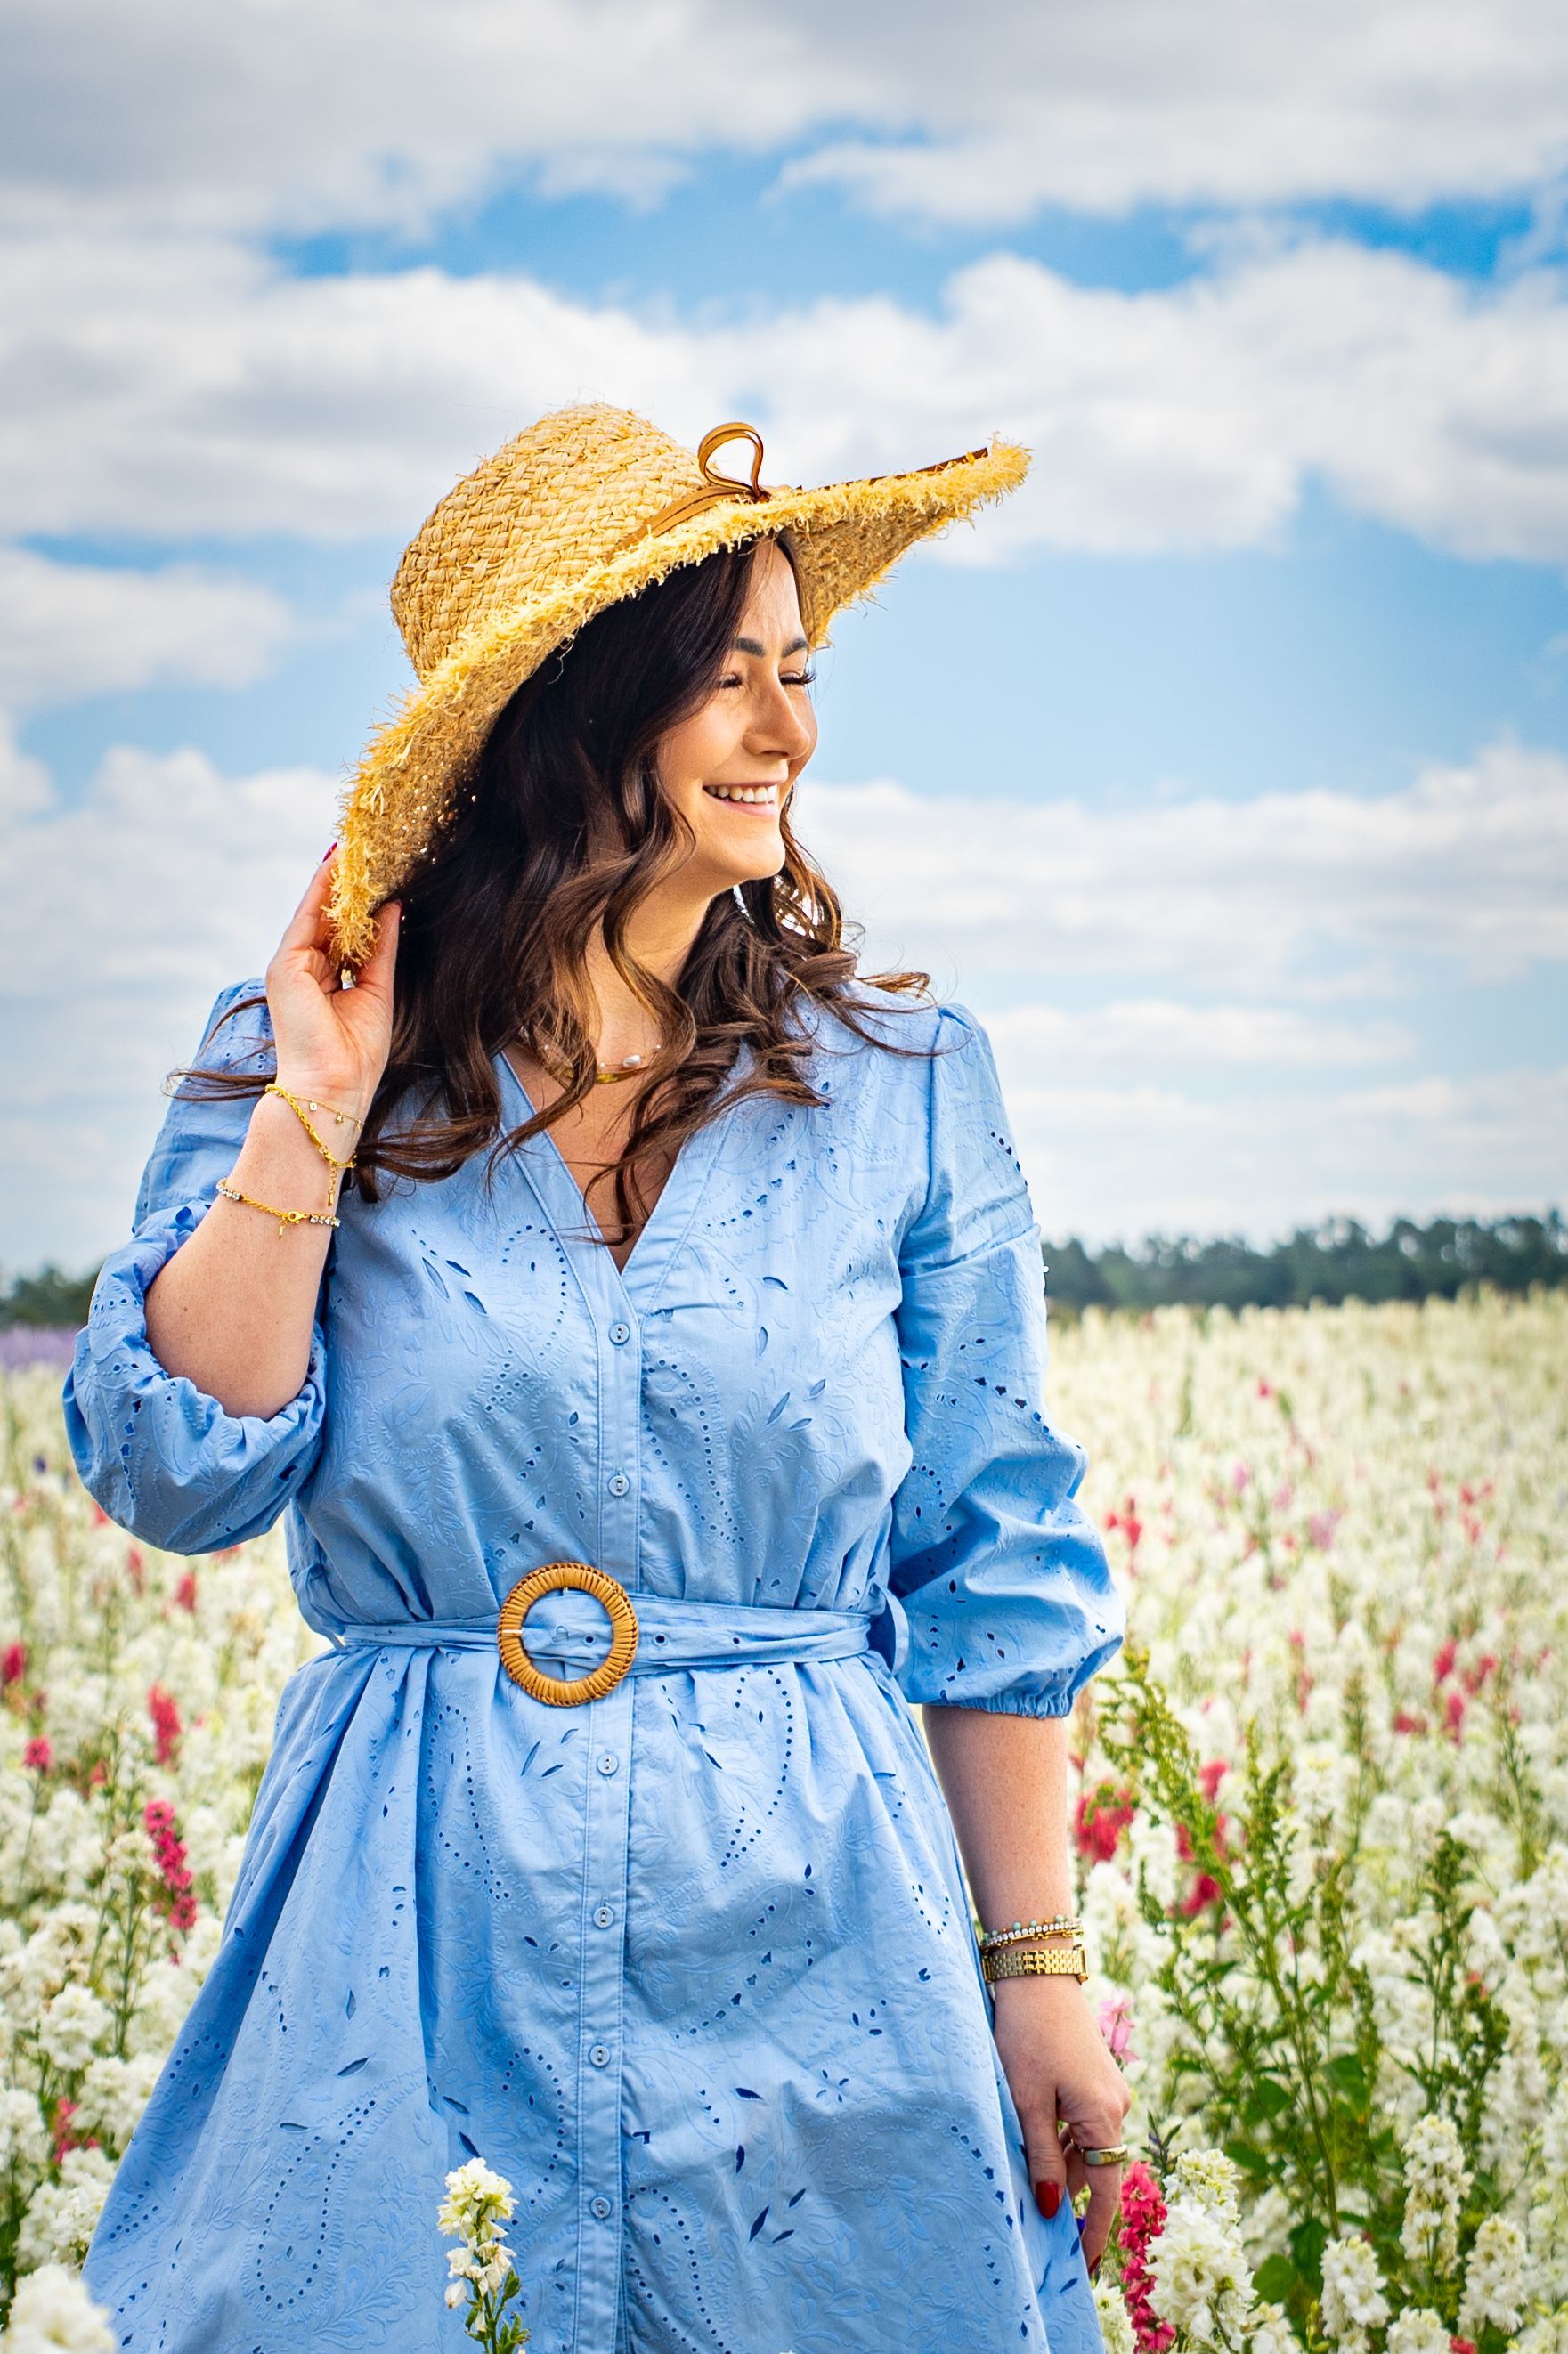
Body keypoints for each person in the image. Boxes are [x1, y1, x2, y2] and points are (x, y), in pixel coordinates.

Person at [64, 404, 1130, 2354]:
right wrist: (313, 1103)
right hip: (407, 1909)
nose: (788, 732)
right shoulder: (313, 1041)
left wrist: (1035, 1965)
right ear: (569, 711)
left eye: (793, 675)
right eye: (723, 681)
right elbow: (172, 1466)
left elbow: (986, 1544)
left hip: (821, 1917)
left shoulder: (901, 1080)